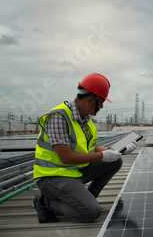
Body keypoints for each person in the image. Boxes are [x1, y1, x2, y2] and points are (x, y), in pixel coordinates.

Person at [32, 73, 137, 223]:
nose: (101, 107)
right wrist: (102, 156)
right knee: (91, 212)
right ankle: (44, 203)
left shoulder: (85, 120)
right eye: (101, 102)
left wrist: (120, 151)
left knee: (115, 161)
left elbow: (93, 148)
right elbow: (66, 157)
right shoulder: (58, 117)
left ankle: (86, 199)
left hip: (74, 171)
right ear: (90, 100)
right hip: (53, 177)